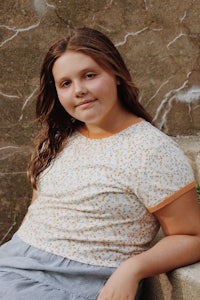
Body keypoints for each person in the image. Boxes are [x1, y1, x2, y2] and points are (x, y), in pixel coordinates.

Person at [0, 26, 200, 300]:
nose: (79, 90)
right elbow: (38, 215)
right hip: (14, 263)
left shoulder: (153, 151)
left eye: (89, 76)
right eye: (66, 83)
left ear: (116, 75)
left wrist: (132, 268)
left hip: (78, 282)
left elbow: (192, 236)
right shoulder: (56, 140)